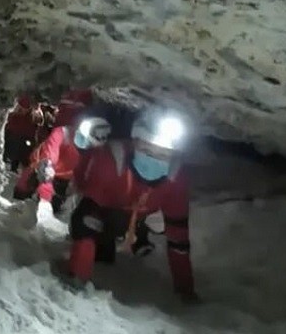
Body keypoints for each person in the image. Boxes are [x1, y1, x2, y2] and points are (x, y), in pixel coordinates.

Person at [63, 107, 196, 299]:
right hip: (107, 210)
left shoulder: (175, 179)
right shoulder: (112, 160)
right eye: (147, 150)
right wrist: (77, 275)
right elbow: (88, 204)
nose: (153, 157)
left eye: (162, 154)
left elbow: (179, 237)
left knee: (152, 224)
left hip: (139, 217)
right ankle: (80, 272)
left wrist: (185, 290)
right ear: (134, 144)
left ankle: (138, 241)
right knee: (87, 224)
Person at [13, 116, 112, 225]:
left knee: (54, 211)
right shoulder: (62, 133)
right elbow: (47, 163)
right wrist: (45, 198)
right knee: (20, 195)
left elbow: (88, 178)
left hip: (63, 180)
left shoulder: (95, 153)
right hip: (38, 167)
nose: (84, 145)